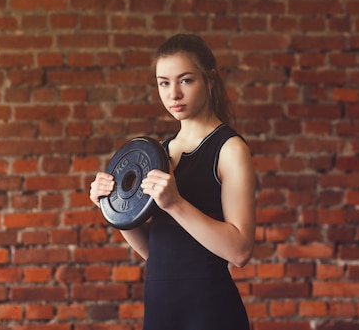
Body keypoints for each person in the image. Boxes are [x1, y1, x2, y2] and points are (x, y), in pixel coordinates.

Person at [89, 33, 256, 330]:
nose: (173, 94)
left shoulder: (230, 149)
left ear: (210, 80)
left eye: (186, 80)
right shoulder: (159, 152)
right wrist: (113, 207)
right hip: (161, 309)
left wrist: (176, 204)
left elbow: (240, 251)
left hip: (209, 312)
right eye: (164, 83)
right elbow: (156, 252)